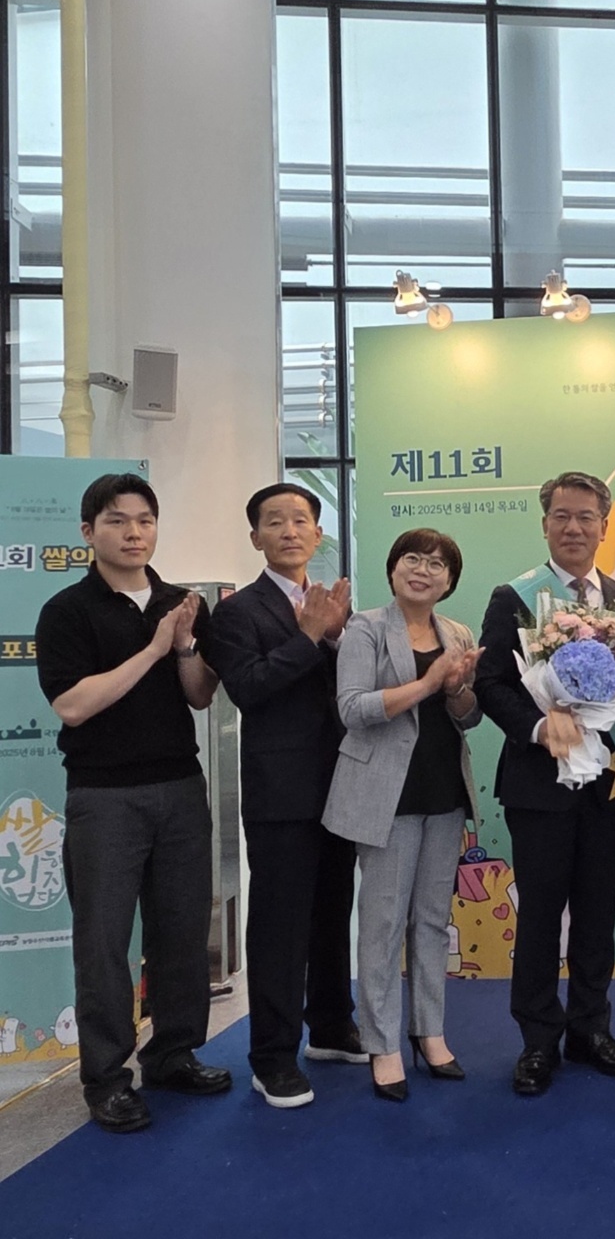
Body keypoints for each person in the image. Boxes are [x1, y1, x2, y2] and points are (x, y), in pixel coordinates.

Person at [35, 473, 228, 1134]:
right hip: (103, 796)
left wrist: (186, 646)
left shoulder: (181, 603)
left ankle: (173, 1054)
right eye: (117, 521)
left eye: (145, 520)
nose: (134, 532)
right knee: (104, 943)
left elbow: (198, 695)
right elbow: (73, 705)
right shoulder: (67, 610)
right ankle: (108, 1079)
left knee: (181, 934)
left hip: (180, 787)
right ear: (88, 532)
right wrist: (153, 648)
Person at [474, 471, 615, 1098]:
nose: (573, 527)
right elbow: (491, 684)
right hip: (538, 784)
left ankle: (590, 1029)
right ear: (545, 523)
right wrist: (537, 727)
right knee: (540, 915)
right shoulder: (515, 597)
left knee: (597, 912)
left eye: (586, 517)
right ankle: (536, 1039)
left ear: (605, 527)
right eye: (561, 516)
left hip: (607, 784)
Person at [207, 483, 362, 1109]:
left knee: (333, 911)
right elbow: (248, 688)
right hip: (280, 791)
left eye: (301, 520)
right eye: (275, 522)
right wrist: (311, 636)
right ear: (256, 538)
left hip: (341, 782)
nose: (290, 530)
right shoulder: (235, 613)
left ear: (318, 535)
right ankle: (272, 1057)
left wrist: (335, 636)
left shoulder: (334, 604)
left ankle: (331, 1026)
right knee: (280, 926)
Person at [322, 529, 483, 1102]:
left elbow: (468, 716)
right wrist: (428, 683)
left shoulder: (457, 633)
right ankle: (382, 1042)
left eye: (437, 564)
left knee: (433, 920)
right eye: (412, 559)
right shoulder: (365, 628)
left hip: (444, 789)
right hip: (385, 795)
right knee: (384, 923)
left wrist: (457, 690)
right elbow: (352, 709)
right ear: (392, 569)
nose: (423, 570)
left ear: (450, 580)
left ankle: (429, 1031)